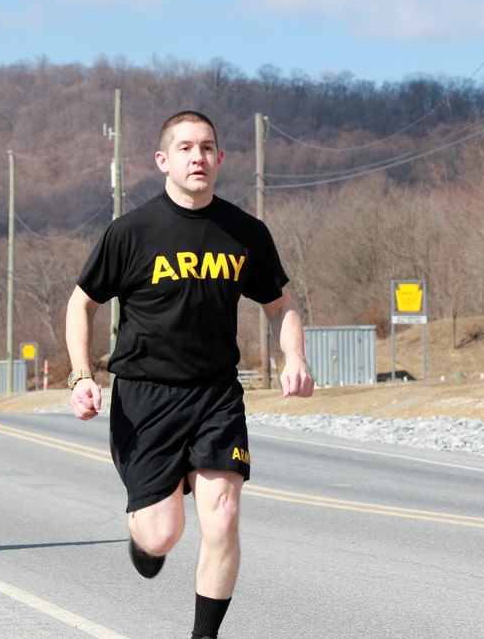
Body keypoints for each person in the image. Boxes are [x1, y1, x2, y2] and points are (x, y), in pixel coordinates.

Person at [66, 110, 315, 639]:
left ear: (220, 159)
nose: (196, 156)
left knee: (222, 515)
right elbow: (80, 304)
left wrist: (294, 357)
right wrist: (81, 375)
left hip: (216, 394)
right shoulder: (130, 232)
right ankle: (143, 533)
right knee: (162, 536)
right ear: (163, 160)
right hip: (145, 398)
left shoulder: (245, 232)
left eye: (206, 148)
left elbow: (281, 306)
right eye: (184, 148)